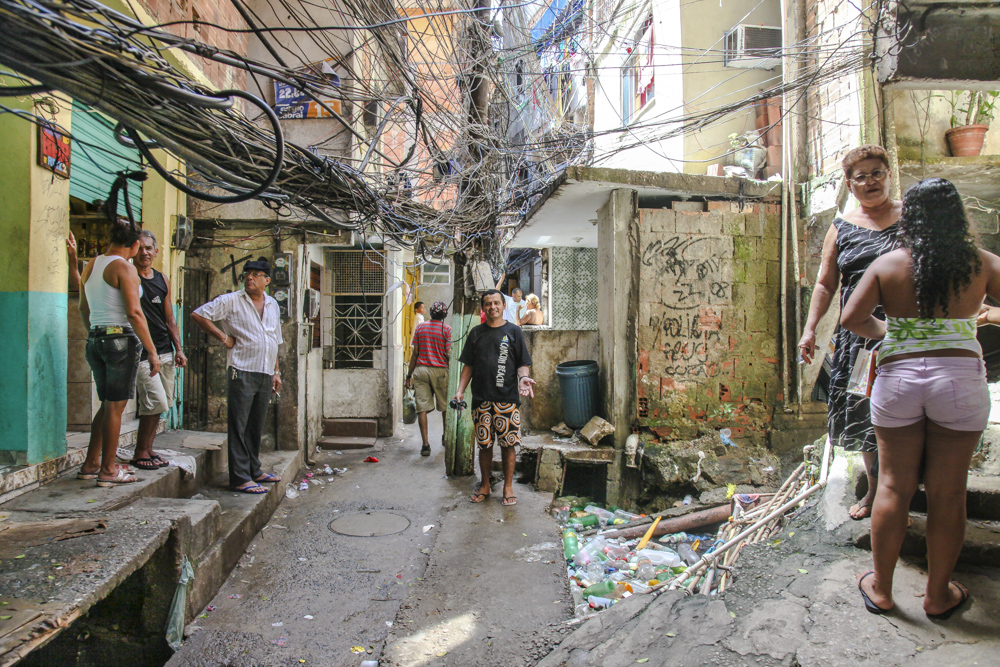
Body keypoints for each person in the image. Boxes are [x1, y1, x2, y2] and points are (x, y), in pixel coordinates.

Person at [841, 177, 998, 619]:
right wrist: (985, 316)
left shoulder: (888, 264)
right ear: (957, 216)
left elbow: (853, 319)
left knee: (892, 485)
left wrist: (890, 331)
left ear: (909, 217)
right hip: (959, 381)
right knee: (949, 493)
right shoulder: (981, 262)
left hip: (898, 381)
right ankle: (937, 596)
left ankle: (883, 590)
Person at [797, 144, 902, 520]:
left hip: (907, 333)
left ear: (889, 175)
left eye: (877, 173)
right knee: (865, 412)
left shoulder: (912, 218)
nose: (871, 181)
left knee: (907, 414)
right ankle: (876, 491)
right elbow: (825, 284)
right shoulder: (842, 227)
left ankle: (902, 492)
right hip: (860, 339)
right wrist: (811, 330)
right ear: (849, 183)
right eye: (862, 176)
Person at [77, 219, 161, 487]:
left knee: (107, 405)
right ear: (135, 244)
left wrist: (96, 333)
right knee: (115, 407)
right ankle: (109, 470)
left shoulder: (92, 264)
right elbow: (135, 313)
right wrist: (152, 350)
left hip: (96, 338)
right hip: (121, 339)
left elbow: (83, 307)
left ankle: (91, 464)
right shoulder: (125, 267)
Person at [191, 258, 283, 494]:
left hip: (264, 372)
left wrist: (276, 371)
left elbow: (275, 340)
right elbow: (199, 314)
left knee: (255, 425)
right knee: (239, 425)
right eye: (247, 274)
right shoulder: (231, 301)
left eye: (255, 274)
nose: (250, 278)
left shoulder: (273, 304)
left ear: (267, 280)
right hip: (241, 370)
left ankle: (254, 469)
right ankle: (240, 477)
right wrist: (223, 337)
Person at [455, 289, 536, 506]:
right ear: (483, 308)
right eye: (488, 304)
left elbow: (522, 363)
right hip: (481, 399)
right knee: (484, 445)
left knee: (509, 444)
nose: (492, 307)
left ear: (503, 305)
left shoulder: (514, 332)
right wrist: (461, 390)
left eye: (496, 303)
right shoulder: (476, 333)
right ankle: (485, 485)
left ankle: (508, 487)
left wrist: (524, 379)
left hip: (507, 399)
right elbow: (468, 366)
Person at [129, 230, 187, 470]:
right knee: (155, 402)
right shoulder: (128, 276)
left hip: (164, 350)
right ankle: (140, 451)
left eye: (149, 248)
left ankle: (149, 448)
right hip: (142, 352)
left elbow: (170, 318)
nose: (145, 252)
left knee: (162, 404)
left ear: (156, 251)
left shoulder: (162, 280)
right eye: (140, 248)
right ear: (134, 250)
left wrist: (179, 349)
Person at [405, 301, 451, 456]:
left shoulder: (420, 328)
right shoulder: (446, 330)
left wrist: (408, 375)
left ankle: (425, 445)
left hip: (421, 371)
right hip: (440, 372)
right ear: (444, 315)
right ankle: (445, 437)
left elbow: (415, 353)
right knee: (445, 407)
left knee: (422, 409)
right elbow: (449, 354)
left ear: (431, 313)